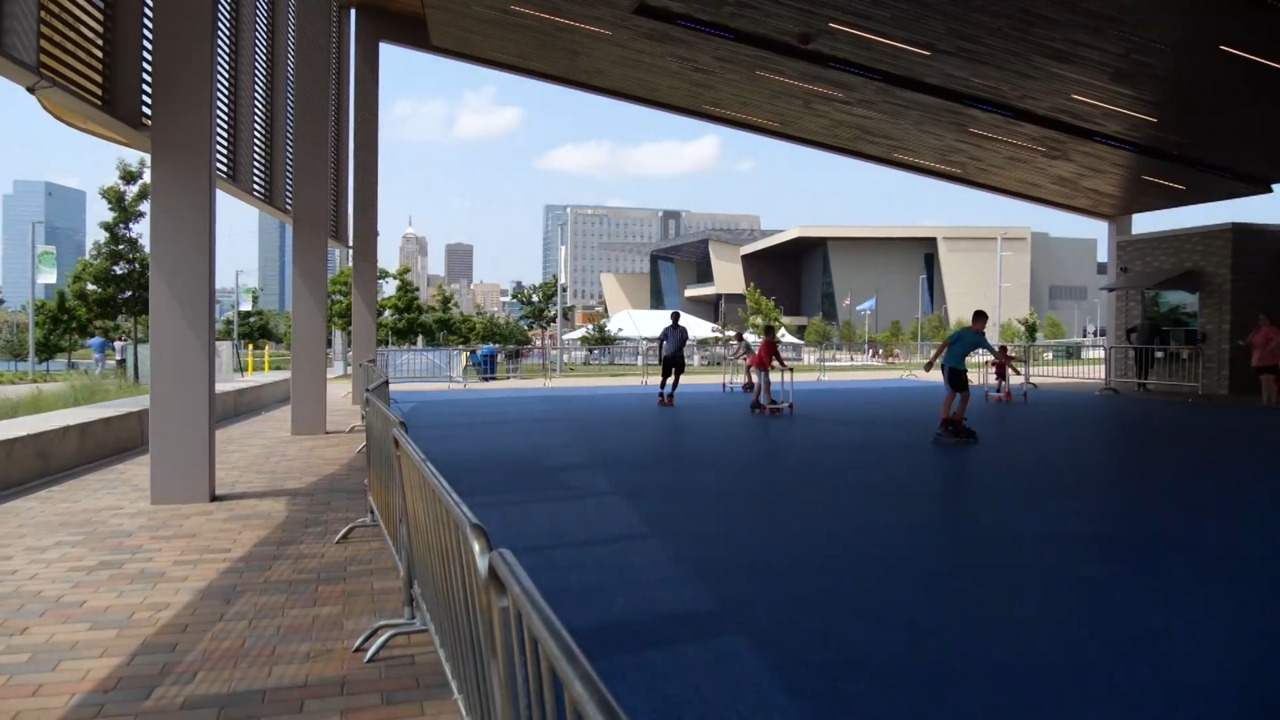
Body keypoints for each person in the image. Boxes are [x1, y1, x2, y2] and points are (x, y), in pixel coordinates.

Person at [923, 310, 997, 438]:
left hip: (960, 368)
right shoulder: (962, 333)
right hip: (949, 366)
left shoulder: (980, 339)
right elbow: (945, 344)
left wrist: (1007, 358)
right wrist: (932, 360)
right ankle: (944, 424)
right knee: (951, 394)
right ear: (977, 322)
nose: (985, 326)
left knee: (965, 395)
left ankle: (957, 421)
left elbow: (994, 352)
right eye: (984, 323)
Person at [1243, 313, 1280, 407]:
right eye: (1260, 319)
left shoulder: (1272, 330)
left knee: (1270, 380)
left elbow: (1277, 340)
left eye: (1263, 319)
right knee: (1264, 380)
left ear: (1268, 320)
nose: (1261, 321)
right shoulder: (1256, 332)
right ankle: (1266, 401)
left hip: (1271, 359)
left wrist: (1270, 347)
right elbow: (1248, 342)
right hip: (1258, 360)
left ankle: (1274, 400)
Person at [749, 324, 787, 410]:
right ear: (770, 333)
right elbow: (764, 356)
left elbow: (777, 355)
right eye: (774, 332)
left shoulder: (772, 344)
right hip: (760, 366)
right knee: (766, 382)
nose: (775, 334)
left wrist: (782, 364)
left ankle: (755, 401)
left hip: (764, 366)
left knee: (760, 383)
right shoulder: (765, 344)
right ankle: (768, 400)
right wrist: (769, 365)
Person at [656, 311, 689, 405]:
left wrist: (677, 350)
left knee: (677, 375)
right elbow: (661, 343)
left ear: (679, 318)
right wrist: (659, 356)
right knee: (665, 376)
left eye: (677, 317)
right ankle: (661, 392)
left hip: (678, 356)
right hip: (668, 356)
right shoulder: (666, 330)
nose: (676, 318)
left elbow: (684, 342)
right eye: (674, 317)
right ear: (671, 318)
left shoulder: (683, 329)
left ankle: (671, 393)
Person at [1126, 317, 1159, 391]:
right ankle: (1143, 386)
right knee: (1145, 367)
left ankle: (1138, 385)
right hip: (1147, 348)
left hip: (1138, 347)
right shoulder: (1154, 325)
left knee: (1139, 367)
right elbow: (1159, 335)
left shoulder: (1140, 325)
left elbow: (1128, 331)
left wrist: (1131, 344)